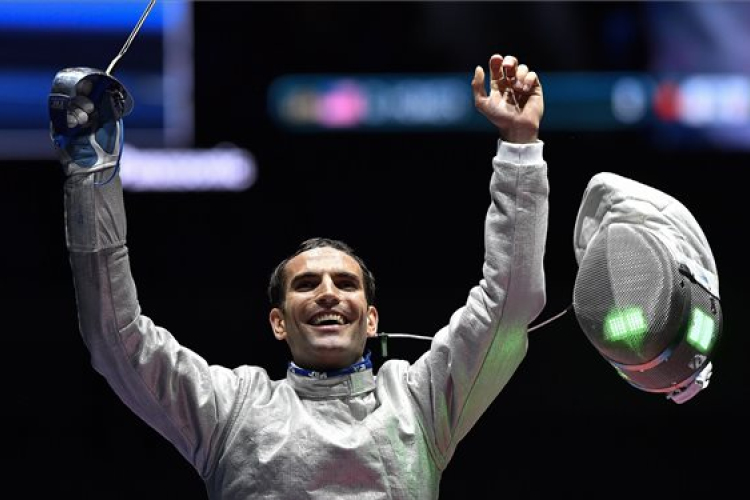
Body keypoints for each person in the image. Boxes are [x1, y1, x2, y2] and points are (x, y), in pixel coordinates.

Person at [52, 54, 548, 499]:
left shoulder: (417, 402)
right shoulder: (232, 408)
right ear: (278, 322)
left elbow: (509, 304)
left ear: (371, 320)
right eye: (306, 285)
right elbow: (116, 338)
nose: (329, 293)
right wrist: (91, 179)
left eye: (346, 284)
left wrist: (520, 147)